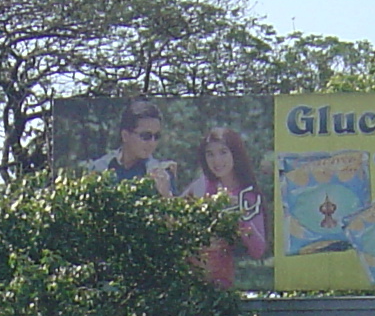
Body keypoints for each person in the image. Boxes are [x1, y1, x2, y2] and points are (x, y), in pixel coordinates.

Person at [184, 126, 269, 287]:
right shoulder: (201, 186)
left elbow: (258, 250)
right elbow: (174, 220)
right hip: (192, 280)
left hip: (224, 283)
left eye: (223, 152)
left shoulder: (249, 195)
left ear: (235, 154)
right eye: (210, 154)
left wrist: (239, 216)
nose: (217, 161)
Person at [81, 99, 179, 194]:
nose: (152, 143)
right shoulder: (100, 168)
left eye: (157, 136)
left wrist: (166, 194)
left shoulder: (162, 175)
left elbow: (176, 209)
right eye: (146, 136)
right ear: (125, 136)